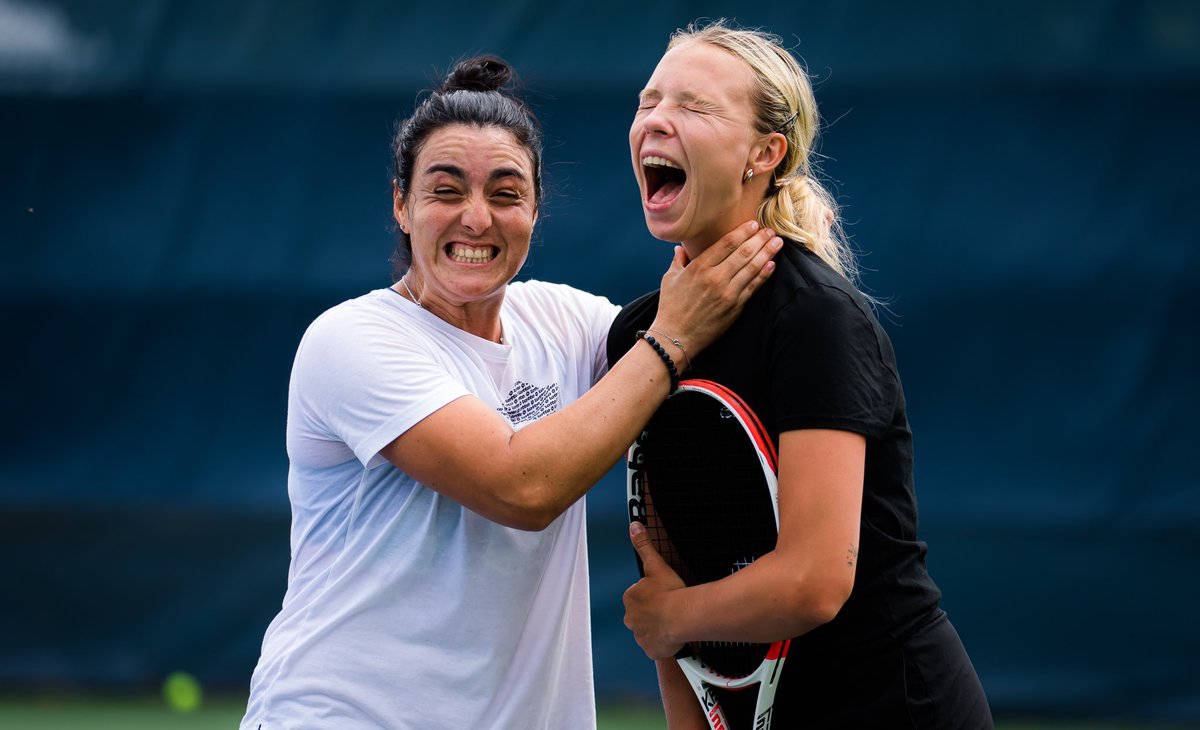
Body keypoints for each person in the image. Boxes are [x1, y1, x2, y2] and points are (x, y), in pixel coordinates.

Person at [240, 56, 781, 729]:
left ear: (534, 209)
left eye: (504, 193)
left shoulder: (565, 321)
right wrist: (671, 338)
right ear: (401, 206)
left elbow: (709, 323)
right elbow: (520, 488)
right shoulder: (350, 341)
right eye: (445, 191)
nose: (476, 219)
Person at [608, 21, 994, 729]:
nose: (656, 120)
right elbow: (665, 578)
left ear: (766, 153)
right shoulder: (638, 337)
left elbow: (815, 581)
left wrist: (673, 618)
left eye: (693, 106)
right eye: (647, 100)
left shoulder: (817, 318)